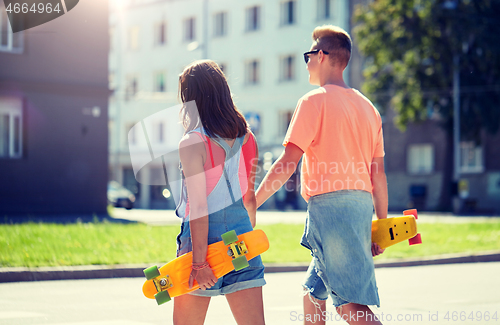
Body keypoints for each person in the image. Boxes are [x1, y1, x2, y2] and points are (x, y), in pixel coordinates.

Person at [256, 25, 388, 325]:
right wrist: (380, 224)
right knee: (313, 292)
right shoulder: (369, 108)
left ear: (323, 55)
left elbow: (288, 162)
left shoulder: (313, 101)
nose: (306, 62)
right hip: (359, 208)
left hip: (332, 211)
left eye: (309, 55)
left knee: (347, 304)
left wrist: (252, 201)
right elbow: (378, 174)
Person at [174, 60, 265, 325]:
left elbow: (199, 208)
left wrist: (200, 264)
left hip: (202, 248)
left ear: (191, 96)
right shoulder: (247, 137)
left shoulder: (192, 142)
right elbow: (249, 199)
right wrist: (244, 241)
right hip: (242, 241)